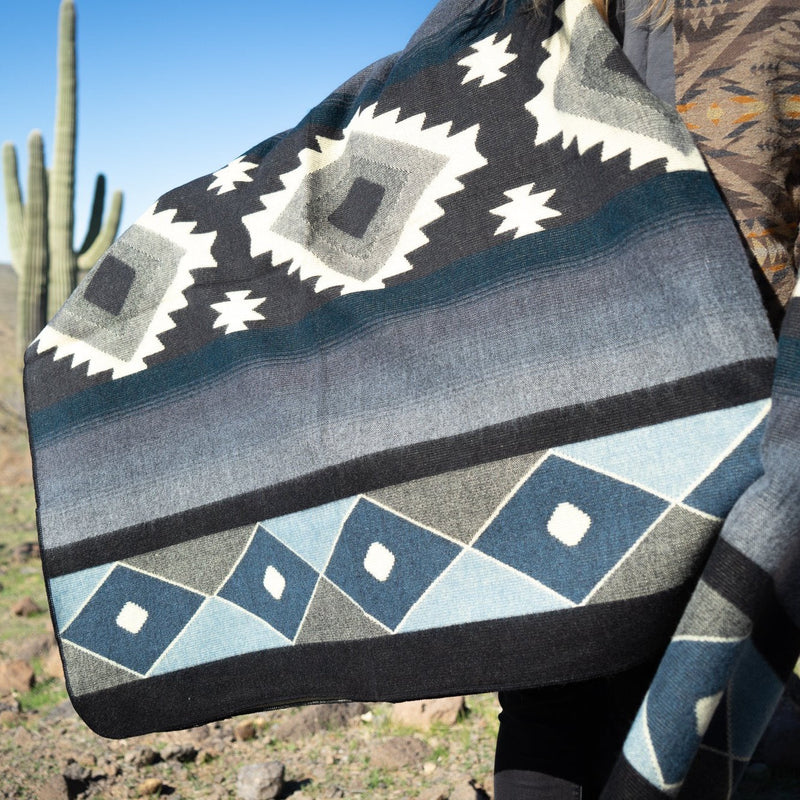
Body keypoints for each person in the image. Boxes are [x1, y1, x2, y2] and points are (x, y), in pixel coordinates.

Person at [492, 0, 800, 797]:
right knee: (560, 671)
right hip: (579, 358)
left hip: (722, 368)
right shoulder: (534, 19)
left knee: (685, 655)